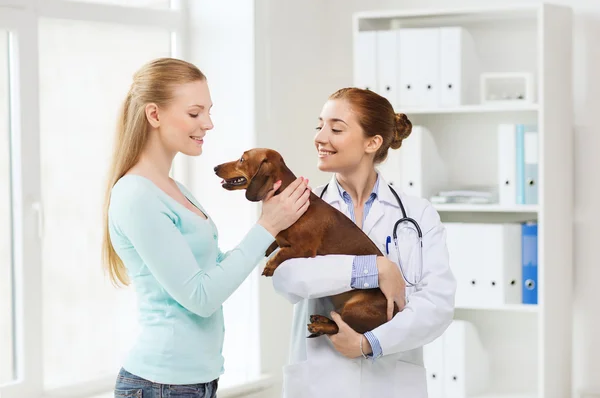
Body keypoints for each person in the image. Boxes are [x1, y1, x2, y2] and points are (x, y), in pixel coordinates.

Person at [101, 57, 311, 398]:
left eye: (208, 111)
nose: (208, 124)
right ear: (154, 115)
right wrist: (267, 227)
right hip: (161, 384)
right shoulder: (136, 195)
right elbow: (201, 296)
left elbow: (211, 269)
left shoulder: (171, 188)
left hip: (191, 382)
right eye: (195, 113)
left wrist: (282, 228)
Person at [271, 87, 457, 398]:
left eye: (336, 128)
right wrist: (372, 269)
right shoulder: (302, 205)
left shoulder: (417, 214)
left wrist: (368, 343)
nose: (320, 137)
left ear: (373, 142)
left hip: (391, 380)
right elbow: (286, 279)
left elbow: (437, 304)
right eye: (319, 126)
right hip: (320, 380)